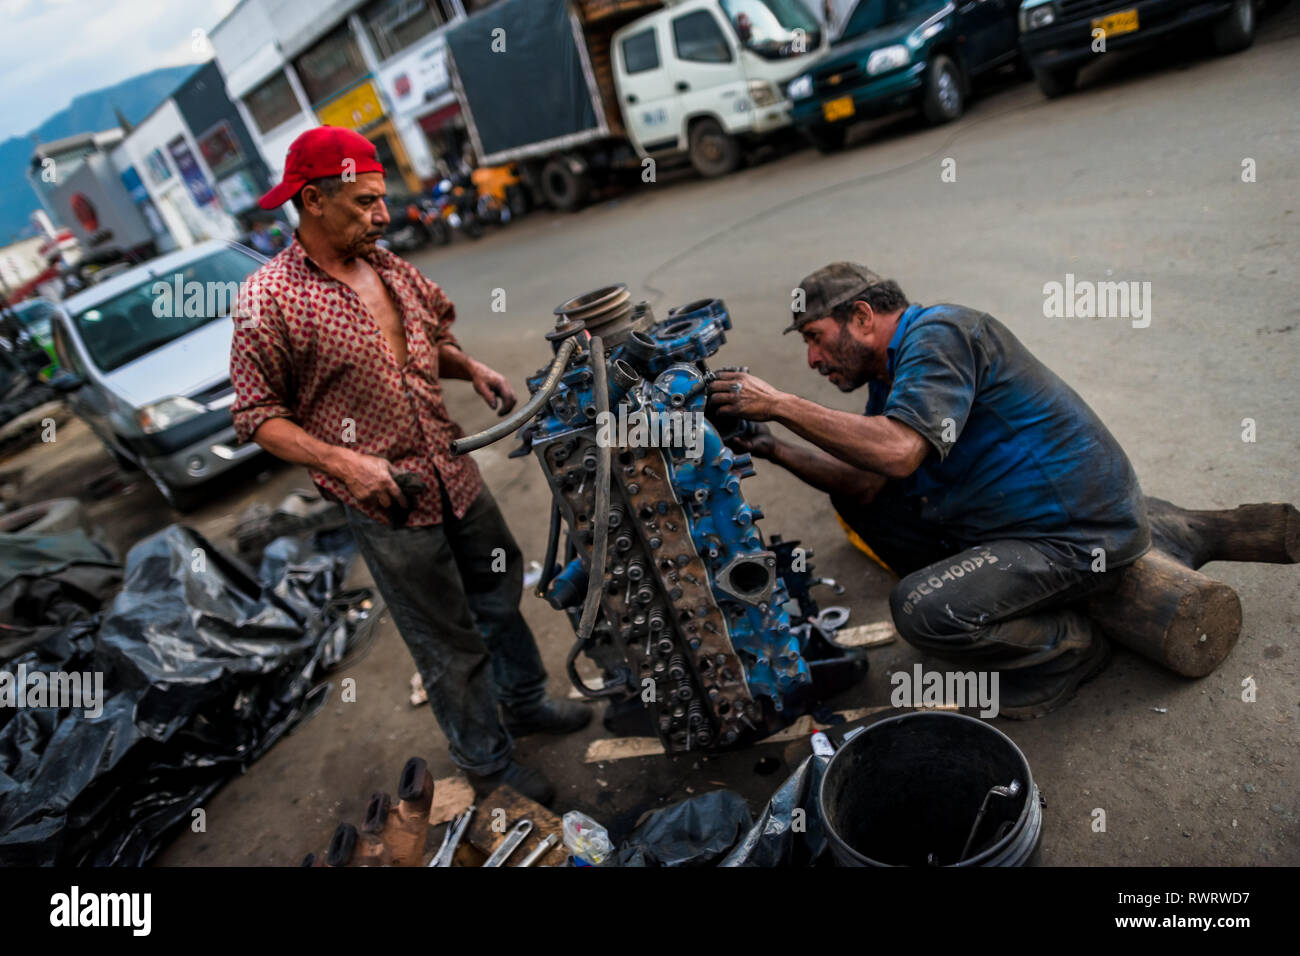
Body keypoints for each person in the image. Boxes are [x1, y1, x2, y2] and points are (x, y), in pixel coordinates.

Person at [229, 126, 589, 805]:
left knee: (500, 595)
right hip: (386, 502)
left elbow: (428, 341)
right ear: (312, 200)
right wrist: (347, 465)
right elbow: (257, 417)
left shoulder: (390, 267)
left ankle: (525, 700)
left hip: (454, 473)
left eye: (381, 199)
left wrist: (470, 366)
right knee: (446, 640)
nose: (384, 214)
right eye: (366, 202)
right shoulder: (268, 299)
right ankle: (487, 762)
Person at [708, 262, 1151, 718]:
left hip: (1079, 537)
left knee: (919, 610)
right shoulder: (892, 374)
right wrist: (770, 446)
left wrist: (779, 404)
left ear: (861, 317)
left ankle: (1067, 649)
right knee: (864, 503)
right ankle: (988, 614)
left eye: (814, 337)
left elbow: (897, 451)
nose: (813, 359)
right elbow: (865, 483)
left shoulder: (941, 334)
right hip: (1011, 526)